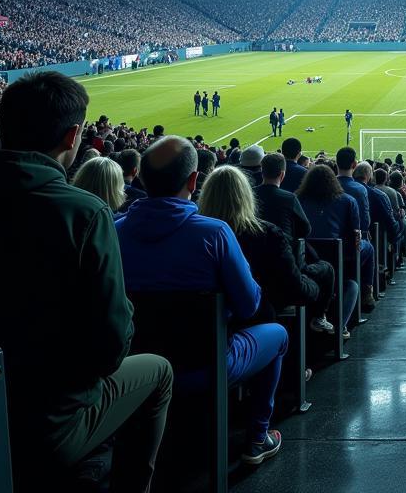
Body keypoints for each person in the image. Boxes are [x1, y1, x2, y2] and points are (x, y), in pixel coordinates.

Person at [0, 71, 173, 491]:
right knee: (157, 371)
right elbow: (111, 343)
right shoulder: (84, 212)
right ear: (73, 137)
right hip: (46, 422)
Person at [116, 136, 286, 467]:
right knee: (278, 334)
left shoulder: (114, 230)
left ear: (140, 177)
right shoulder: (214, 233)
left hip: (134, 367)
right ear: (193, 181)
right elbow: (250, 304)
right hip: (206, 365)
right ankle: (256, 436)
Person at [198, 165, 335, 335]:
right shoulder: (267, 234)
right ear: (246, 196)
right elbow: (296, 289)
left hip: (202, 328)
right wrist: (315, 287)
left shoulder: (195, 235)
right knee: (280, 335)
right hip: (253, 321)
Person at [295, 164, 362, 334]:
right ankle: (340, 328)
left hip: (303, 263)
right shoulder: (348, 201)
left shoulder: (297, 200)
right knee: (352, 285)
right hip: (334, 261)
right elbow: (355, 234)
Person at [335, 146, 376, 311]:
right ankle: (367, 292)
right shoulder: (359, 189)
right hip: (350, 245)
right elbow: (364, 223)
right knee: (369, 248)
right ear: (354, 164)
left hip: (325, 245)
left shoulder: (328, 185)